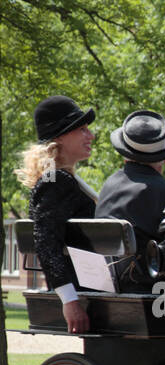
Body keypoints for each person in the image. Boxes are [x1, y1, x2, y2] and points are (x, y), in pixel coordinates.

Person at [13, 96, 98, 333]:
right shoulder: (55, 179)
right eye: (82, 129)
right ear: (60, 136)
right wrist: (69, 300)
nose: (90, 135)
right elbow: (46, 239)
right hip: (87, 287)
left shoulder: (60, 177)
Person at [95, 110, 165, 290]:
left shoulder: (108, 187)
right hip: (158, 300)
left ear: (125, 154)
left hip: (107, 291)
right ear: (163, 159)